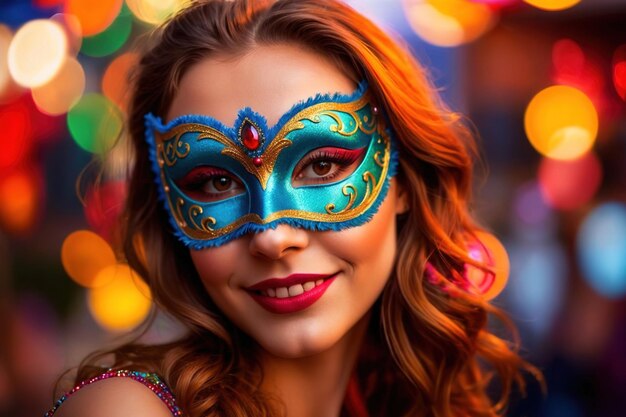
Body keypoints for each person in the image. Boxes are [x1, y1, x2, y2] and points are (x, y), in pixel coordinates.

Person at [47, 0, 539, 416]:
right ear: (170, 209)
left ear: (405, 179)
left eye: (322, 166)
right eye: (217, 181)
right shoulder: (127, 409)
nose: (272, 237)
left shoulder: (409, 399)